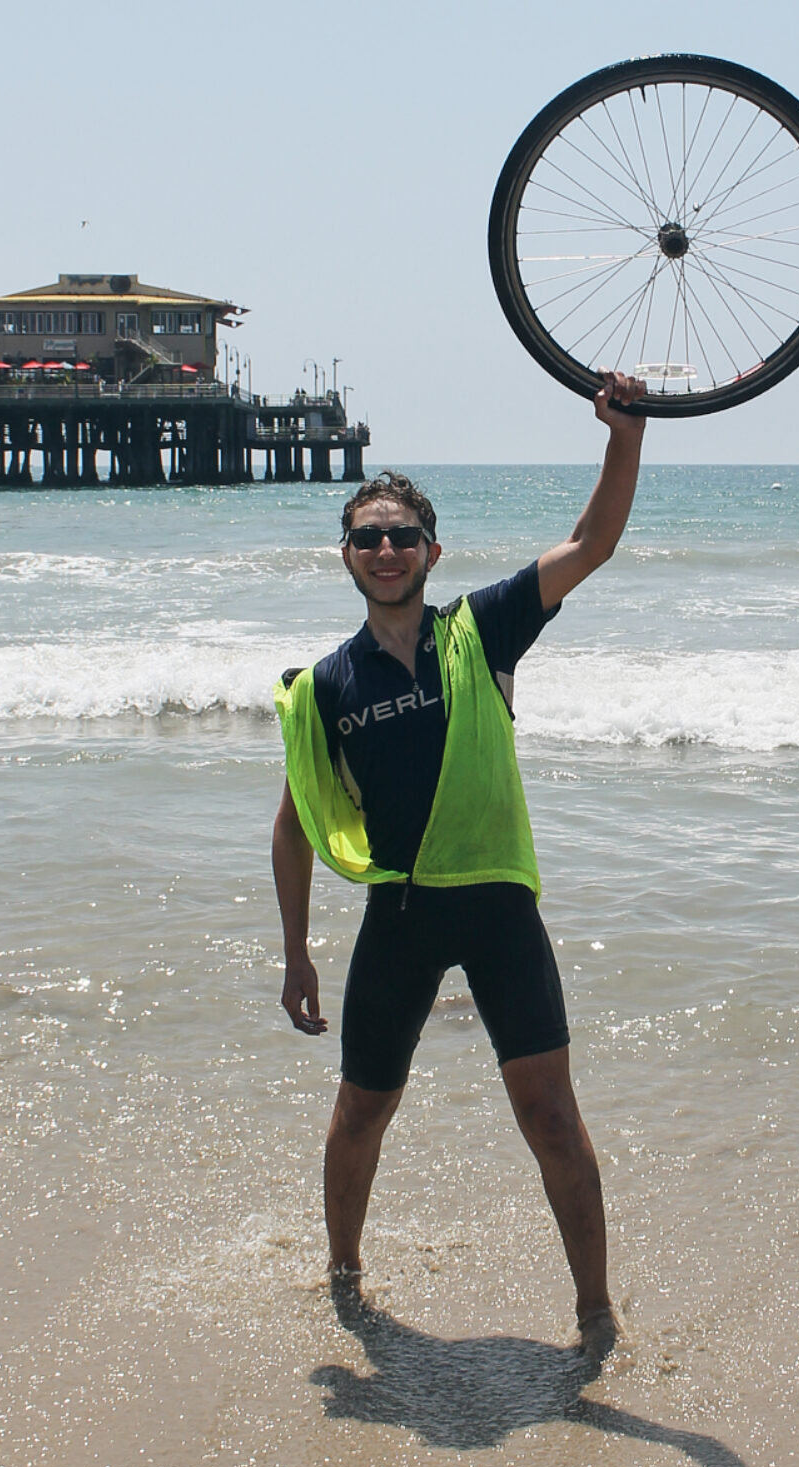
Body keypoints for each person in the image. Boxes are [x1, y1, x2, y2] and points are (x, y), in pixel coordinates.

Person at [272, 370, 646, 1352]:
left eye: (402, 535)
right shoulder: (325, 688)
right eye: (368, 536)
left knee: (551, 1118)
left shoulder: (482, 632)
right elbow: (294, 824)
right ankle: (346, 1278)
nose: (386, 549)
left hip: (497, 907)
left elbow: (593, 543)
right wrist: (298, 954)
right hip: (399, 917)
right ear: (347, 555)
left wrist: (624, 435)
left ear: (431, 552)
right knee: (362, 1110)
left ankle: (594, 1312)